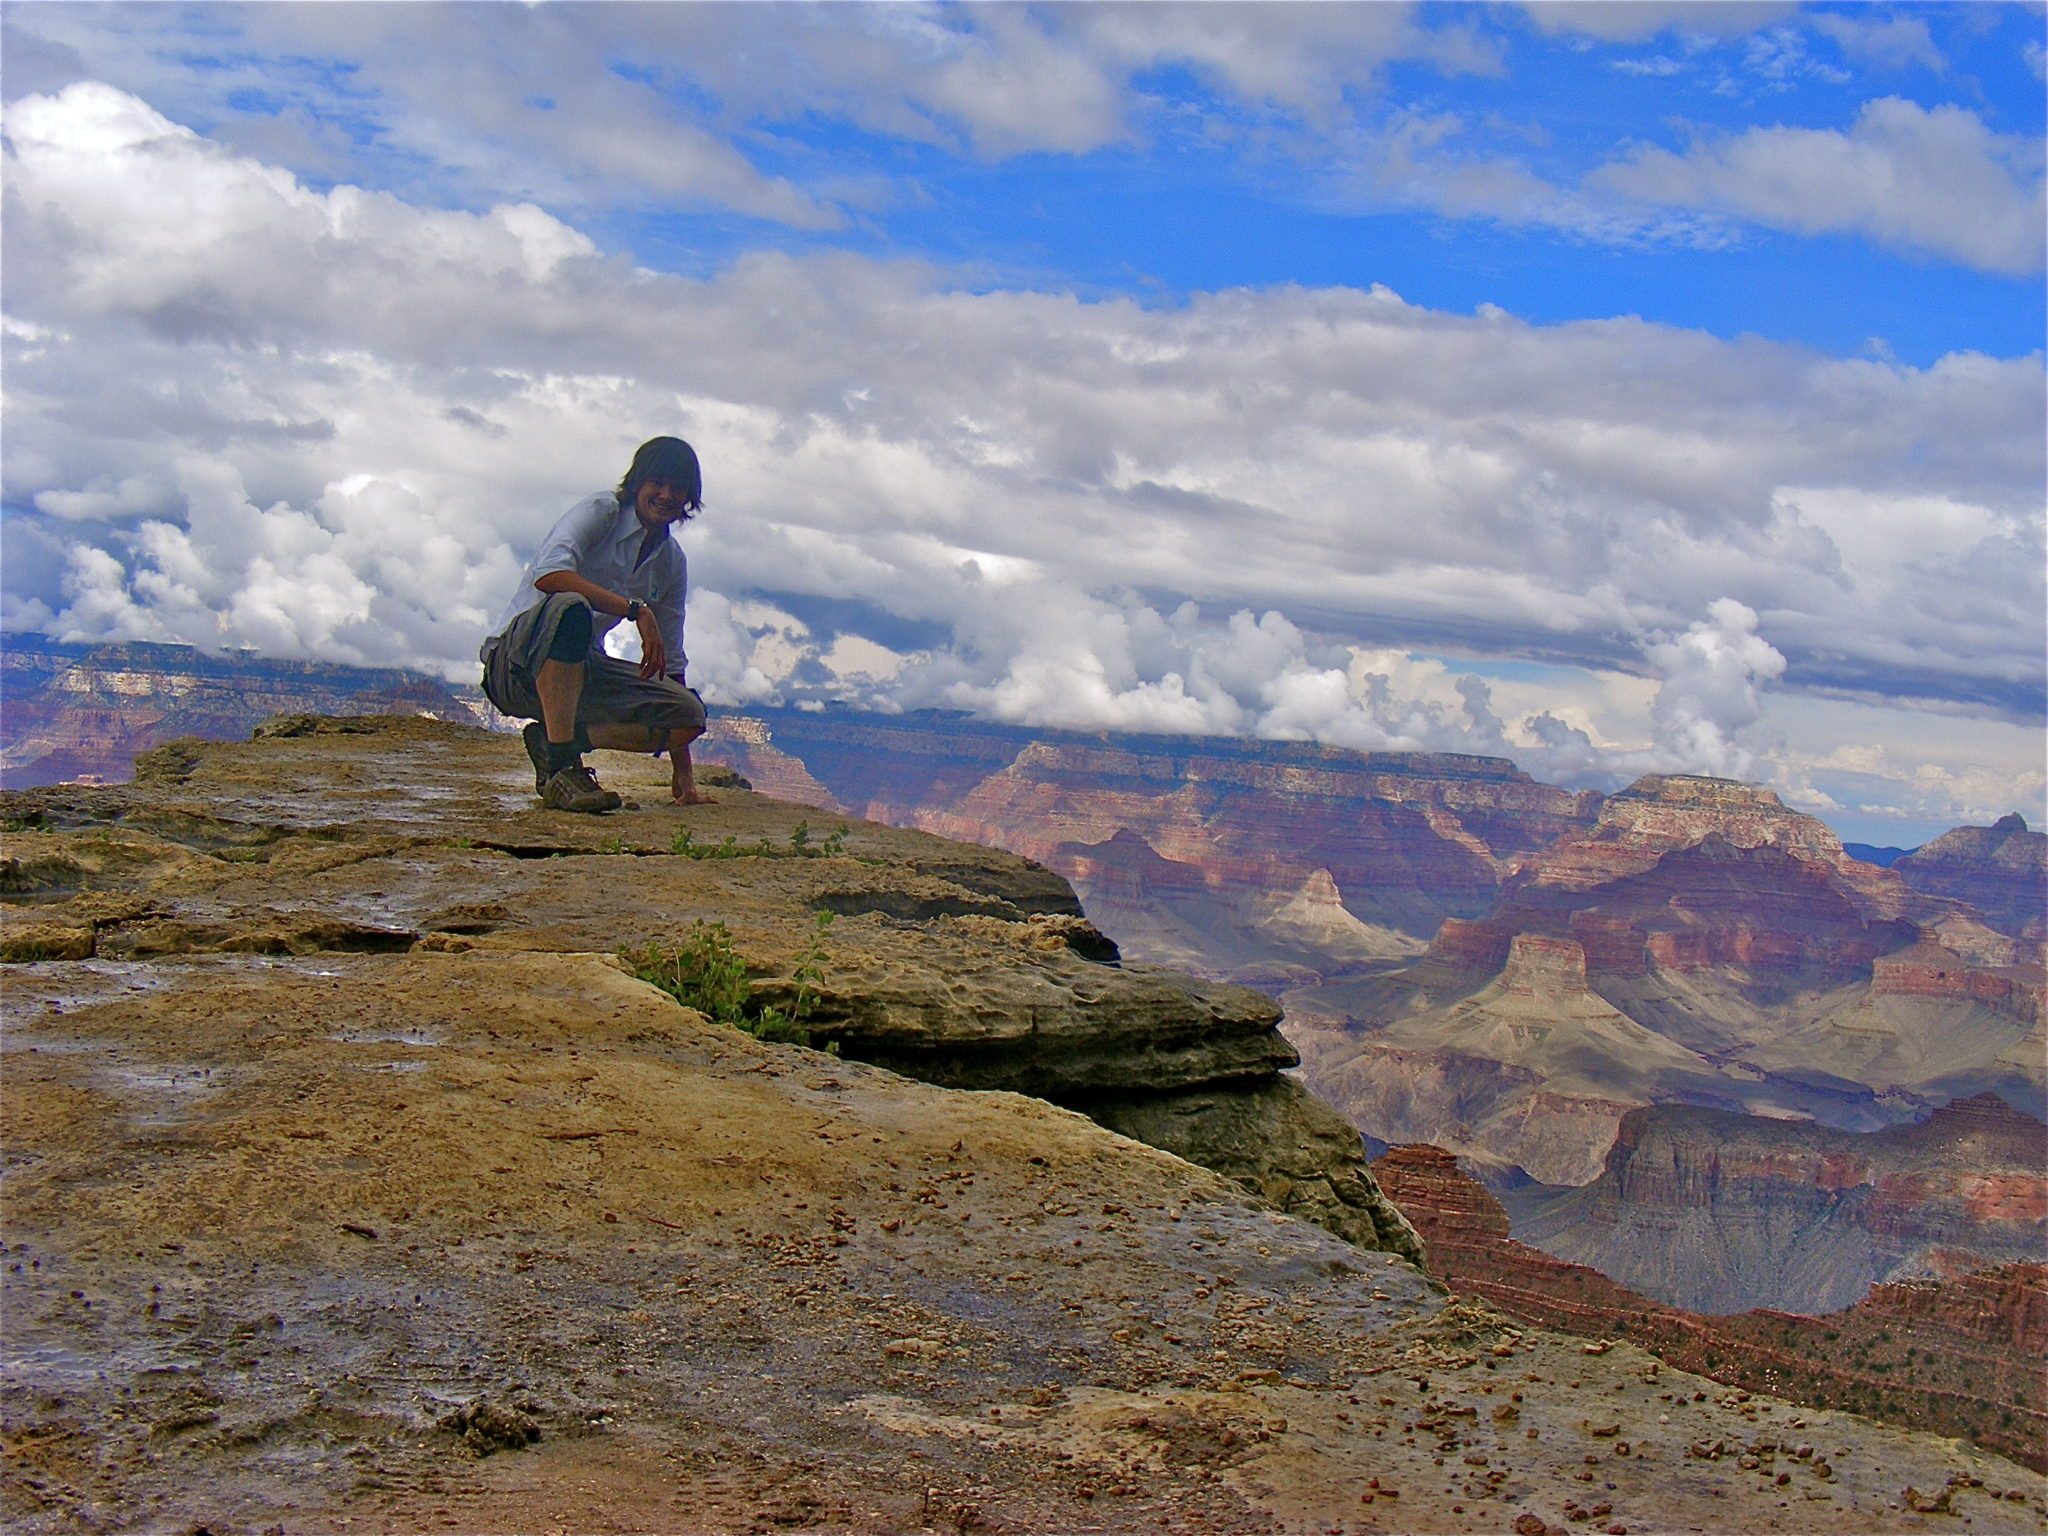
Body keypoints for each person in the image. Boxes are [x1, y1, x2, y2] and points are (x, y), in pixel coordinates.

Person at [480, 436, 712, 812]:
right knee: (571, 608)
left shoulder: (670, 562)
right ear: (638, 482)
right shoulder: (601, 511)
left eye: (677, 487)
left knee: (689, 714)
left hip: (581, 673)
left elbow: (671, 664)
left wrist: (683, 775)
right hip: (516, 666)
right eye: (657, 483)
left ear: (688, 496)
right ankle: (561, 769)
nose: (666, 494)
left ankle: (560, 742)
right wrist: (635, 610)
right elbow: (550, 574)